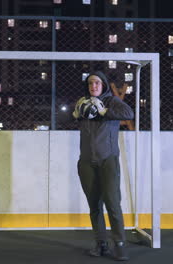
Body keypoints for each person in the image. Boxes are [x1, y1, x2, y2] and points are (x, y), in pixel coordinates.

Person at [72, 71, 134, 261]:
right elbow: (70, 117)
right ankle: (101, 244)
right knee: (95, 206)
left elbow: (128, 113)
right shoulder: (83, 102)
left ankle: (120, 244)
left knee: (113, 204)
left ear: (104, 85)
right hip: (86, 162)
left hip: (108, 160)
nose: (94, 86)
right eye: (91, 83)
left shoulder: (111, 102)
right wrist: (75, 113)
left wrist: (105, 112)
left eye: (98, 83)